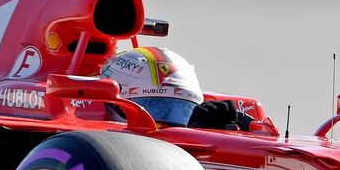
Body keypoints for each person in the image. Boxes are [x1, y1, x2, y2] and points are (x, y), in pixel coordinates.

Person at [99, 45, 251, 130]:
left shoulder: (197, 125)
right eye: (155, 107)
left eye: (181, 110)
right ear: (112, 103)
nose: (168, 124)